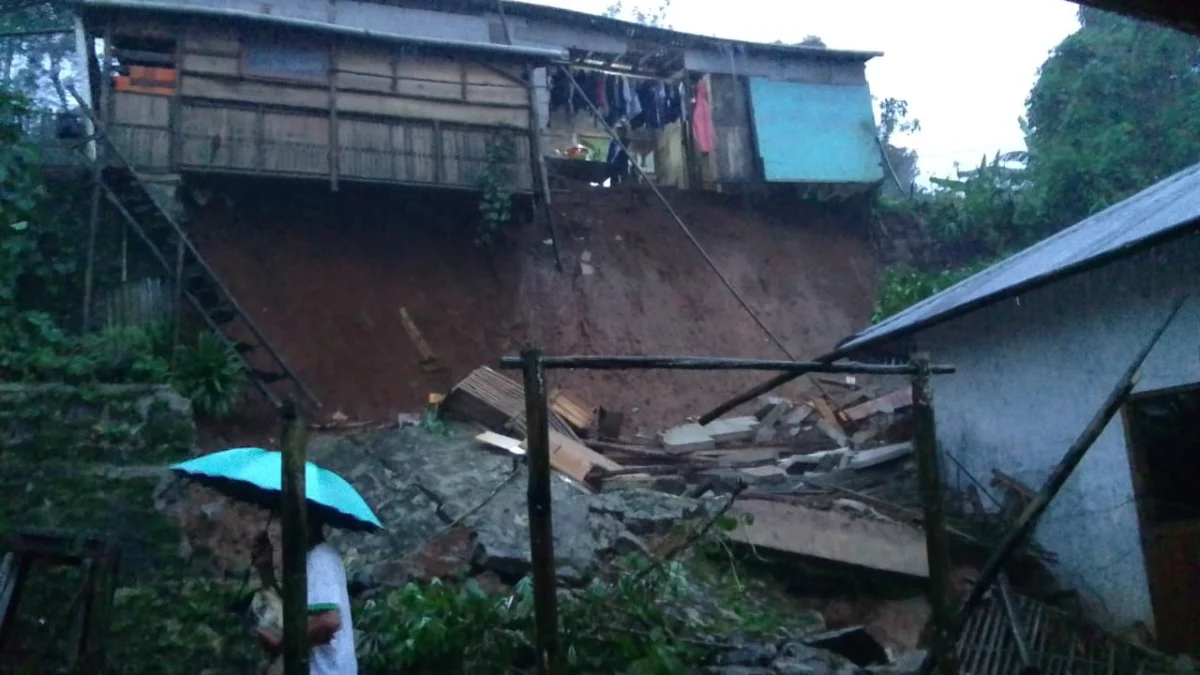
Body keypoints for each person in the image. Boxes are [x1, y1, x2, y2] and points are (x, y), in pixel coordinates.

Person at [252, 518, 358, 675]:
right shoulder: (310, 558)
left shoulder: (320, 559)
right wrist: (266, 570)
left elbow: (329, 620)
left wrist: (283, 645)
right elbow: (296, 611)